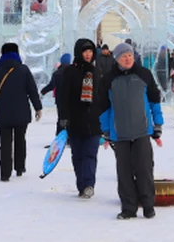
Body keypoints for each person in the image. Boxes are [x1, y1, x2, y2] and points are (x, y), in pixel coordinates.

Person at [98, 42, 164, 220]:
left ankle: (148, 206)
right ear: (117, 59)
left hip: (142, 131)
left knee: (144, 170)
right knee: (124, 173)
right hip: (120, 134)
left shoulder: (144, 74)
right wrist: (105, 130)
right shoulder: (109, 79)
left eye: (130, 55)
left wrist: (157, 125)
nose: (127, 59)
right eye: (123, 56)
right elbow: (103, 107)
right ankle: (128, 208)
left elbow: (154, 100)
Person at [0, 42, 43, 181]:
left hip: (3, 112)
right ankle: (19, 167)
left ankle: (5, 173)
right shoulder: (23, 70)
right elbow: (32, 90)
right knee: (20, 140)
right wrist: (38, 107)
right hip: (21, 112)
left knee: (5, 143)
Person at [56, 38, 102, 198]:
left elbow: (101, 96)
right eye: (85, 51)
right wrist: (64, 119)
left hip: (93, 121)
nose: (88, 55)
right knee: (78, 156)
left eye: (90, 51)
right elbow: (63, 97)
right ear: (79, 53)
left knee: (90, 154)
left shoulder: (96, 71)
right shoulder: (69, 72)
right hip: (75, 121)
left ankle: (89, 184)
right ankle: (81, 184)